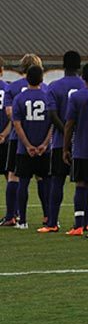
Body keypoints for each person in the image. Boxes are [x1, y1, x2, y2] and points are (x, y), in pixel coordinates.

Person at [41, 51, 85, 232]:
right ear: (79, 65)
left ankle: (52, 222)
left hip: (60, 142)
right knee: (83, 182)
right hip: (83, 143)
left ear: (63, 65)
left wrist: (66, 131)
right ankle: (83, 222)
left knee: (56, 181)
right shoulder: (86, 85)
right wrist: (76, 132)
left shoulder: (54, 86)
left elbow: (52, 114)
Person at [2, 54, 46, 227]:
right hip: (42, 139)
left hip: (17, 138)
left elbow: (9, 113)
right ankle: (47, 216)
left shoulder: (13, 88)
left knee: (14, 176)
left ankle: (12, 216)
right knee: (42, 177)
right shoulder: (45, 88)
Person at [11, 66, 53, 230]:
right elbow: (52, 123)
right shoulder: (47, 96)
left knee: (23, 183)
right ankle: (49, 217)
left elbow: (17, 124)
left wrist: (27, 145)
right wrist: (44, 144)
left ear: (27, 79)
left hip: (24, 149)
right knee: (46, 182)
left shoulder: (19, 98)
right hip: (44, 148)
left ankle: (22, 220)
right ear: (42, 79)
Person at [63, 63, 88, 235]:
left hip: (82, 147)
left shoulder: (77, 97)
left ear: (83, 78)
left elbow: (69, 124)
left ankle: (79, 225)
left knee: (81, 183)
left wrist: (65, 147)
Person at [0, 58, 9, 225]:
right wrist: (4, 134)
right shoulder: (7, 88)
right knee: (10, 176)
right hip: (6, 138)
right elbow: (12, 115)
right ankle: (12, 212)